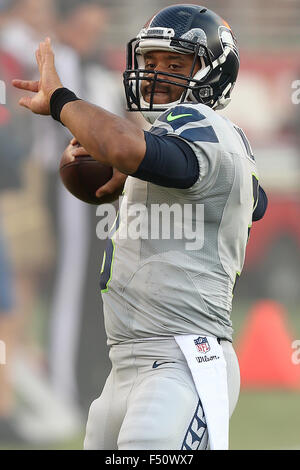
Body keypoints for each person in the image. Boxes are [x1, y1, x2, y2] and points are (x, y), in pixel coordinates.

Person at [13, 4, 268, 450]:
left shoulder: (206, 126)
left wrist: (61, 101)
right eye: (149, 62)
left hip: (182, 361)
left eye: (175, 64)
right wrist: (137, 173)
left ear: (214, 71)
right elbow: (251, 201)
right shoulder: (183, 144)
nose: (156, 74)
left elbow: (121, 145)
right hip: (127, 364)